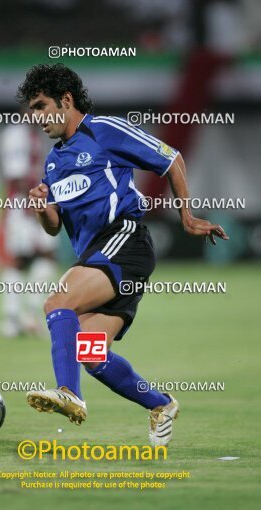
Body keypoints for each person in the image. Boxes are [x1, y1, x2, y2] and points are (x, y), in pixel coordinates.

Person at [17, 63, 229, 446]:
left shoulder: (104, 130)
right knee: (91, 352)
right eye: (32, 109)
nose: (37, 117)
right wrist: (44, 209)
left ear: (66, 100)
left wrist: (186, 215)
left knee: (56, 301)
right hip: (98, 256)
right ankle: (160, 404)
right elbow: (54, 227)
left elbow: (171, 158)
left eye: (41, 105)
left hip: (124, 241)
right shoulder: (53, 162)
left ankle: (69, 393)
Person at [0, 121, 58, 338]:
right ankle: (13, 318)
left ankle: (26, 316)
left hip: (31, 206)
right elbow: (18, 176)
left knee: (43, 257)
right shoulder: (17, 135)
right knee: (21, 260)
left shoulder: (36, 134)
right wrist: (33, 208)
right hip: (23, 208)